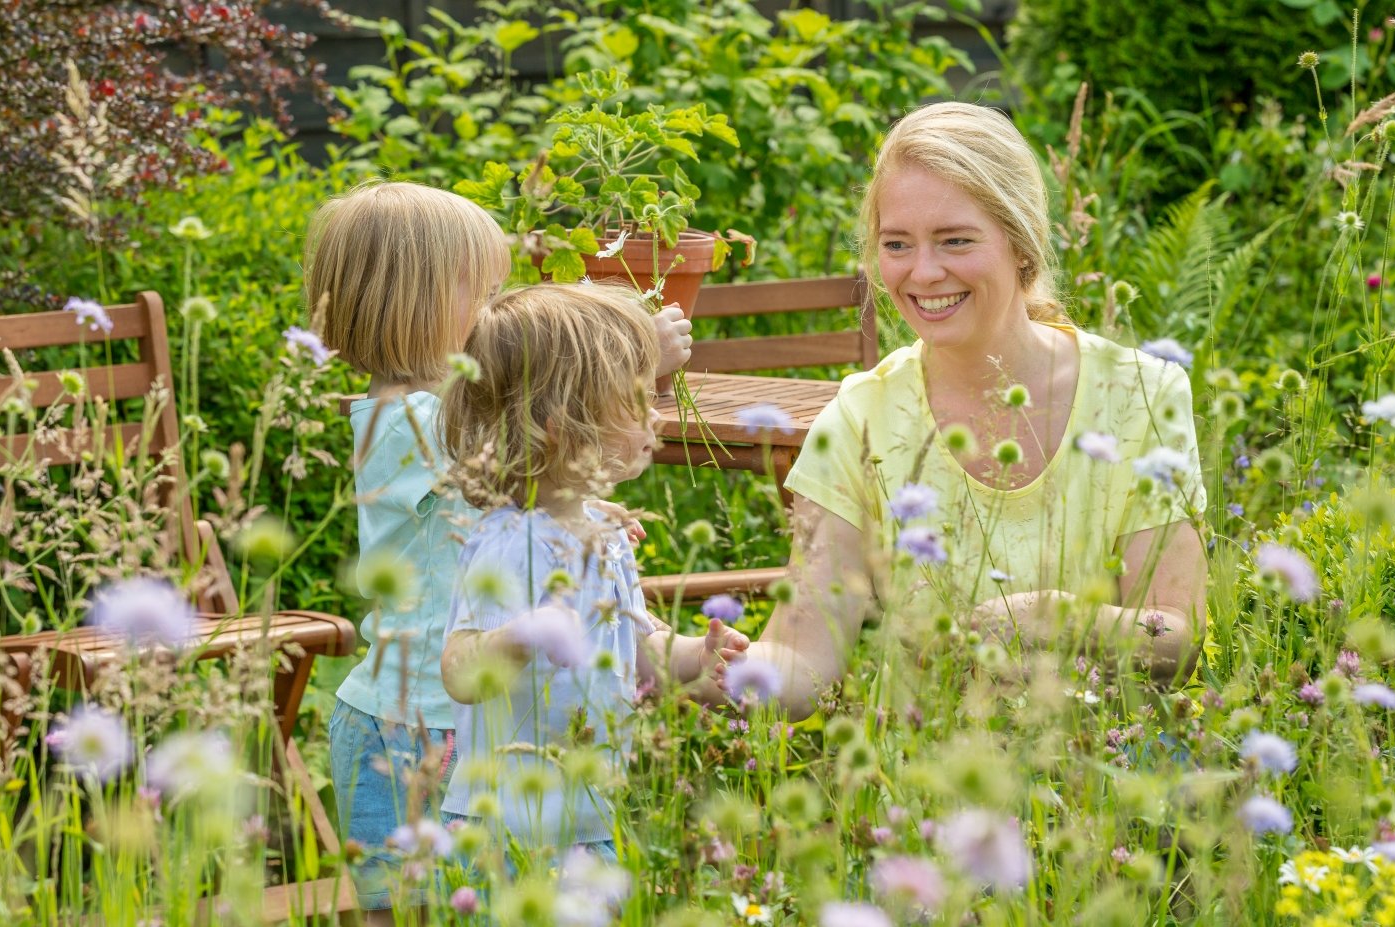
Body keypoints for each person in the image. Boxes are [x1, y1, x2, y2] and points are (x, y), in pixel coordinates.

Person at [716, 102, 1208, 719]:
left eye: (955, 240)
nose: (922, 272)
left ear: (1021, 244)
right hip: (925, 795)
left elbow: (1180, 637)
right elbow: (806, 662)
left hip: (1110, 785)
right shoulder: (859, 418)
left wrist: (1054, 619)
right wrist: (693, 660)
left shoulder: (1141, 394)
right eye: (897, 244)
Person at [303, 181, 693, 917]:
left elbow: (521, 475)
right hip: (408, 724)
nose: (496, 311)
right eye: (484, 293)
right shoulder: (404, 420)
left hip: (467, 723)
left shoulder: (433, 417)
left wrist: (584, 504)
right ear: (411, 307)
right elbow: (501, 458)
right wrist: (636, 352)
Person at [436, 283, 750, 866]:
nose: (656, 414)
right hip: (506, 832)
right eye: (638, 399)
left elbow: (635, 648)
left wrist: (694, 660)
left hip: (590, 819)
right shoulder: (513, 543)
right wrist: (520, 636)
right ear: (565, 426)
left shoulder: (604, 532)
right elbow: (458, 670)